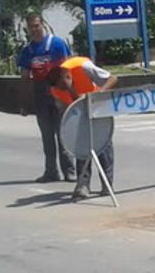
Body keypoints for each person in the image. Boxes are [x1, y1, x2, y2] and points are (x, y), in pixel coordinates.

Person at [48, 56, 118, 201]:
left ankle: (107, 184)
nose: (62, 89)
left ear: (68, 75)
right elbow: (66, 108)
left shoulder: (83, 66)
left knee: (103, 146)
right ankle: (83, 185)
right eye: (60, 87)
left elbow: (112, 79)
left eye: (64, 84)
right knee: (81, 148)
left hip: (98, 108)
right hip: (80, 114)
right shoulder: (56, 89)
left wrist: (98, 93)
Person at [17, 14, 76, 183]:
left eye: (36, 25)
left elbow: (67, 69)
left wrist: (70, 95)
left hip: (59, 94)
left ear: (43, 24)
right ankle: (51, 171)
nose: (34, 29)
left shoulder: (57, 44)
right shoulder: (28, 50)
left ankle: (69, 171)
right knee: (47, 137)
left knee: (62, 134)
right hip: (40, 95)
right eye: (31, 27)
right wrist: (24, 103)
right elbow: (24, 76)